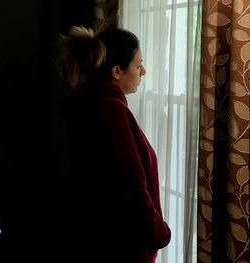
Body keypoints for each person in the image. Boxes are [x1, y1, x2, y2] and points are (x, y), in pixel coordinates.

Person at [58, 26, 171, 263]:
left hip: (99, 239)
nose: (144, 71)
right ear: (117, 71)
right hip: (123, 247)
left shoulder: (88, 102)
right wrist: (159, 233)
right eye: (138, 65)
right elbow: (131, 184)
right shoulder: (111, 110)